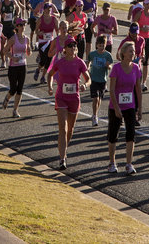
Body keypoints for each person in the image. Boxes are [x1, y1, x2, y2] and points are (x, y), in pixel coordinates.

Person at [47, 37, 90, 170]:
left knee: (70, 130)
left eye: (74, 46)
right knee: (63, 128)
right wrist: (49, 86)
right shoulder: (60, 62)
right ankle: (62, 158)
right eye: (70, 46)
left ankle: (63, 149)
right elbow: (50, 74)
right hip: (61, 97)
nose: (72, 48)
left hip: (74, 99)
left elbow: (88, 79)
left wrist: (85, 85)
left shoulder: (80, 63)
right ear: (65, 49)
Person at [107, 41, 143, 175]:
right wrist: (116, 108)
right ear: (123, 53)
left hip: (130, 106)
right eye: (130, 51)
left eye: (134, 51)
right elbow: (111, 90)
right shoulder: (116, 68)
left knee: (131, 134)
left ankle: (128, 164)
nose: (133, 53)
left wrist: (139, 108)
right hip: (115, 106)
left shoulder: (135, 68)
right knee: (113, 135)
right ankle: (112, 162)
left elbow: (138, 89)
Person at [2, 18, 30, 118]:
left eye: (24, 25)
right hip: (13, 67)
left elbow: (28, 53)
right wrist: (12, 57)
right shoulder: (13, 38)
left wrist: (29, 50)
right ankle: (7, 98)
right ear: (17, 27)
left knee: (20, 89)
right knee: (13, 89)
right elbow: (5, 50)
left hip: (23, 66)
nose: (23, 27)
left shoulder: (27, 39)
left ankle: (15, 110)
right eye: (21, 25)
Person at [88, 35, 113, 126]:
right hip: (94, 79)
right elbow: (88, 62)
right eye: (100, 45)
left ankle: (95, 113)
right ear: (96, 45)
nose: (101, 47)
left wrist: (108, 66)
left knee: (99, 99)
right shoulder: (92, 54)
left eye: (103, 45)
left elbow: (110, 66)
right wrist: (87, 69)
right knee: (95, 98)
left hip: (103, 80)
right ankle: (95, 116)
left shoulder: (107, 55)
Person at [132, 0, 149, 91]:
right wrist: (141, 29)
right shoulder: (140, 13)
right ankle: (133, 80)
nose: (148, 5)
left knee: (146, 61)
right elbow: (133, 25)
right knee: (137, 60)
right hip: (139, 39)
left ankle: (143, 83)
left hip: (148, 38)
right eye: (147, 4)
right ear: (144, 5)